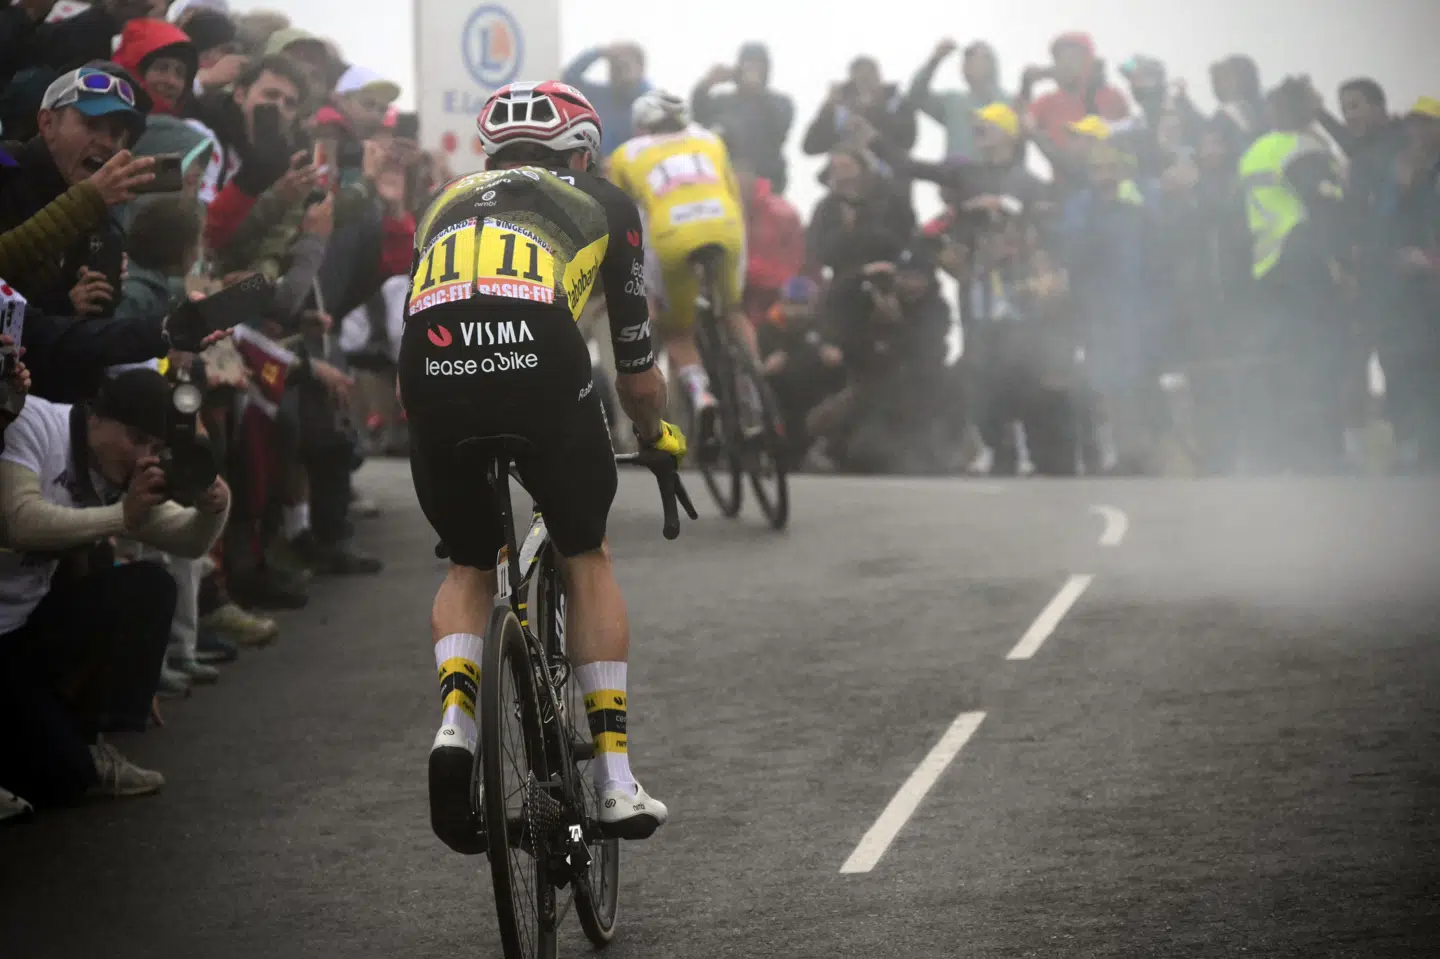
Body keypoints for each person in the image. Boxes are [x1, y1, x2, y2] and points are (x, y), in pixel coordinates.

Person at [397, 80, 682, 854]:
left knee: (467, 562)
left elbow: (418, 324)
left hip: (433, 362)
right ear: (582, 152)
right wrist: (656, 434)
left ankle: (456, 719)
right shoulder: (607, 201)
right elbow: (636, 369)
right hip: (536, 352)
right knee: (585, 550)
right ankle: (616, 779)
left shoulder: (443, 200)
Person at [607, 88, 748, 430]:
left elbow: (619, 215)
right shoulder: (710, 140)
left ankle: (702, 396)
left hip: (671, 237)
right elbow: (734, 193)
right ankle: (750, 389)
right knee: (732, 313)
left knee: (678, 332)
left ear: (642, 126)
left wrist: (637, 285)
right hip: (725, 225)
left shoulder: (625, 154)